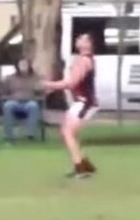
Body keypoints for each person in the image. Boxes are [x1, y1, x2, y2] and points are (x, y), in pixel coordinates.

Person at [42, 33, 98, 179]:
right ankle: (85, 165)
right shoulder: (80, 59)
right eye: (78, 38)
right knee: (67, 133)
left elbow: (71, 83)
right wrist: (53, 87)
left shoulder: (85, 60)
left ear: (89, 44)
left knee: (68, 133)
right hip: (79, 101)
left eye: (82, 39)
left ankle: (81, 169)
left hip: (86, 102)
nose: (78, 40)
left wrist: (49, 84)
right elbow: (71, 83)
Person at [0, 58, 42, 143]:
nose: (23, 67)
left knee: (33, 106)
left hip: (29, 102)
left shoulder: (35, 78)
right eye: (21, 65)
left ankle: (30, 134)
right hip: (14, 102)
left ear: (29, 66)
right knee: (8, 105)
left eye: (25, 65)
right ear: (17, 66)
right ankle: (8, 135)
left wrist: (39, 89)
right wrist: (3, 89)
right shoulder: (10, 78)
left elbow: (42, 92)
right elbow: (0, 91)